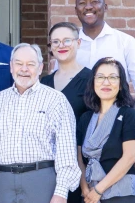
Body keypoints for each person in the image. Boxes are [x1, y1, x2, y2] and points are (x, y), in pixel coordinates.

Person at [0, 43, 81, 203]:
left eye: (30, 64)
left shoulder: (56, 100)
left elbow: (66, 150)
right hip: (0, 183)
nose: (24, 69)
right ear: (11, 67)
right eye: (18, 63)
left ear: (40, 68)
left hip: (41, 181)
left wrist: (60, 193)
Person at [75, 0, 135, 132]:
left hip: (116, 122)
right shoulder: (70, 44)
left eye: (94, 2)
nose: (88, 6)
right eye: (82, 3)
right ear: (76, 10)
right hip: (76, 120)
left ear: (105, 7)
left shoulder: (124, 41)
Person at [78, 57, 135, 203]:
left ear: (120, 85)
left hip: (122, 194)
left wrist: (99, 190)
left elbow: (129, 158)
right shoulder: (85, 118)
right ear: (93, 82)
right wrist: (85, 189)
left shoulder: (128, 115)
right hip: (90, 194)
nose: (106, 82)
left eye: (112, 77)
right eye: (100, 77)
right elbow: (79, 159)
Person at [41, 22, 92, 203]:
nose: (61, 45)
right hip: (46, 166)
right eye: (55, 42)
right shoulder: (43, 83)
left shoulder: (91, 80)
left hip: (81, 164)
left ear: (78, 43)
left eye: (66, 40)